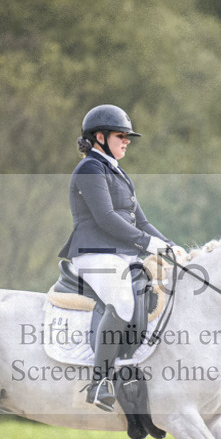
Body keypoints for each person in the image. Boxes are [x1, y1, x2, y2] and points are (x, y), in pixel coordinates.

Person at [58, 104, 177, 411]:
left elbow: (142, 222)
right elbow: (106, 218)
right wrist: (148, 244)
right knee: (123, 301)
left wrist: (172, 247)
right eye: (121, 135)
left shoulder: (116, 172)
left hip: (119, 255)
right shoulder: (89, 169)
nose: (127, 141)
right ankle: (99, 384)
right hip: (93, 253)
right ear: (99, 136)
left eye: (128, 137)